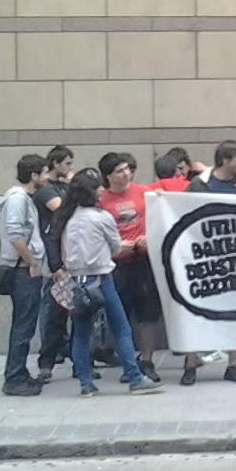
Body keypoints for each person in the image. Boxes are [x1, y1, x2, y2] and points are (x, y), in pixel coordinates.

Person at [57, 169, 162, 398]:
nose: (102, 191)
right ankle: (135, 378)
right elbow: (115, 247)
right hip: (101, 277)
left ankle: (85, 383)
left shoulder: (67, 219)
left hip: (75, 280)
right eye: (98, 187)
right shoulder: (101, 217)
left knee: (81, 333)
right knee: (121, 327)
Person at [97, 152, 164, 386]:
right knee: (120, 315)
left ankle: (147, 360)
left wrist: (148, 236)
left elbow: (162, 213)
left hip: (143, 261)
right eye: (119, 171)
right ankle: (128, 363)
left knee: (149, 313)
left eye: (127, 169)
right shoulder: (101, 200)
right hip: (116, 265)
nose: (126, 174)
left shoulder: (144, 192)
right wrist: (115, 247)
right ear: (108, 176)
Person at [0, 153, 49, 396]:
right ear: (34, 175)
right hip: (23, 271)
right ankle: (14, 378)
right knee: (23, 326)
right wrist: (32, 263)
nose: (47, 178)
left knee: (24, 325)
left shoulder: (23, 199)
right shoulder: (18, 200)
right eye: (44, 173)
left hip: (24, 269)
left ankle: (19, 373)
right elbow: (15, 235)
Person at [33, 145, 76, 378]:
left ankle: (78, 360)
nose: (70, 168)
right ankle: (47, 361)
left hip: (68, 255)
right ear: (56, 163)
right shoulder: (46, 189)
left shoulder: (61, 187)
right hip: (55, 257)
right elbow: (60, 209)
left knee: (74, 313)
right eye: (67, 163)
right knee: (55, 314)